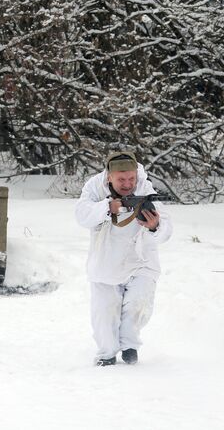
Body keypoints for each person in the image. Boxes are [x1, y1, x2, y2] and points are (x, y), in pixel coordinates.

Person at [75, 151, 172, 366]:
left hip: (141, 260)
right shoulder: (94, 187)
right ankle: (107, 353)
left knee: (138, 304)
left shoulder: (145, 187)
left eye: (131, 178)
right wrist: (106, 208)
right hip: (106, 260)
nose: (128, 184)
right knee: (105, 310)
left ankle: (129, 345)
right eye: (121, 179)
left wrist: (155, 226)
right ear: (109, 176)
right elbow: (81, 215)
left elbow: (166, 228)